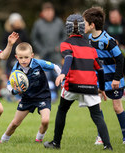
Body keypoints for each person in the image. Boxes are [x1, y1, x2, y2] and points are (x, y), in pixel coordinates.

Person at [43, 14, 113, 150]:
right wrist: (102, 89)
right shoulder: (90, 47)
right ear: (82, 28)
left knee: (62, 110)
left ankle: (56, 143)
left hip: (72, 85)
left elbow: (68, 57)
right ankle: (108, 146)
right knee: (97, 115)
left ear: (67, 28)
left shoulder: (65, 43)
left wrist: (63, 73)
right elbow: (100, 70)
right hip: (91, 86)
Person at [83, 7, 125, 145]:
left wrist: (117, 78)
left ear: (92, 25)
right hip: (98, 80)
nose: (83, 26)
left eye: (84, 23)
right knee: (96, 107)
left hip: (113, 80)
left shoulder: (107, 40)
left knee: (117, 107)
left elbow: (120, 59)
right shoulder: (88, 39)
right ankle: (101, 137)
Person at [0, 42, 61, 143]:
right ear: (16, 57)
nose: (23, 60)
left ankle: (39, 139)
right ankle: (3, 140)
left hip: (43, 96)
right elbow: (9, 85)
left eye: (26, 57)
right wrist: (15, 91)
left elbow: (55, 67)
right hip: (27, 98)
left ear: (32, 56)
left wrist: (61, 78)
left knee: (45, 121)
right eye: (21, 57)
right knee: (15, 123)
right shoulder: (16, 69)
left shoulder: (38, 63)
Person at [31, 2, 66, 101]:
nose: (49, 13)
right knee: (45, 76)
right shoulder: (38, 24)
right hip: (44, 54)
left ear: (53, 12)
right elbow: (34, 39)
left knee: (57, 74)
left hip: (56, 54)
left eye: (50, 11)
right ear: (43, 12)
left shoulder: (59, 22)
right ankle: (49, 95)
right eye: (46, 11)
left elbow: (64, 36)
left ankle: (61, 94)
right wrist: (41, 49)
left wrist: (59, 46)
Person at [104, 8, 125, 83]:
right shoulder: (106, 25)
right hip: (111, 54)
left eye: (114, 17)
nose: (112, 19)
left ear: (120, 16)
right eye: (111, 17)